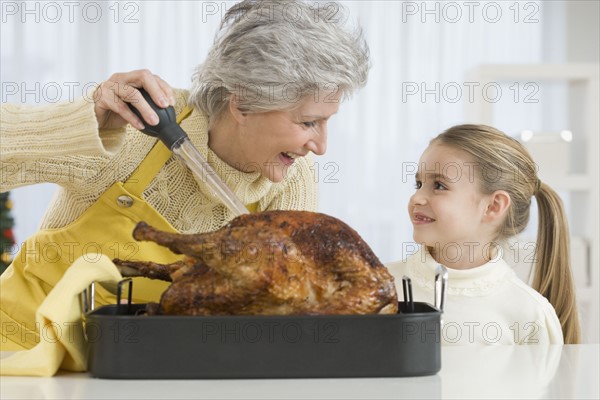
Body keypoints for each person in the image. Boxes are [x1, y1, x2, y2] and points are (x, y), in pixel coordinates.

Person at [0, 0, 369, 350]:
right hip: (19, 351)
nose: (320, 146)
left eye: (325, 122)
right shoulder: (135, 125)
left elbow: (287, 309)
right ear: (242, 102)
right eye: (308, 122)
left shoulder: (291, 174)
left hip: (141, 368)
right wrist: (85, 121)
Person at [387, 124, 580, 345]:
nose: (416, 198)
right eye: (419, 184)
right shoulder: (379, 287)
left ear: (493, 207)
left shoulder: (528, 316)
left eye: (439, 185)